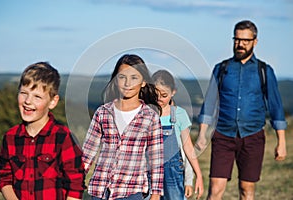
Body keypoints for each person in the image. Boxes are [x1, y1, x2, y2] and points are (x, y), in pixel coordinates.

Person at [198, 20, 287, 200]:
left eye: (245, 41)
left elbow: (275, 106)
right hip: (223, 135)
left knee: (247, 190)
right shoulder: (221, 69)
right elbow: (209, 102)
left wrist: (282, 142)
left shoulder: (264, 70)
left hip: (253, 137)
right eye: (237, 40)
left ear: (255, 41)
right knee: (215, 189)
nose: (240, 44)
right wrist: (201, 135)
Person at [0, 62, 85, 200]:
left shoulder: (63, 137)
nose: (28, 101)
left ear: (53, 102)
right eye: (24, 93)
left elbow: (75, 185)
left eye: (37, 97)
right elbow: (5, 178)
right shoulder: (10, 137)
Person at [82, 54, 164, 200]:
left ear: (143, 82)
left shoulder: (150, 117)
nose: (127, 83)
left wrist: (156, 194)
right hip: (100, 190)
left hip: (131, 191)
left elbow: (155, 158)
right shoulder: (103, 113)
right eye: (122, 77)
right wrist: (75, 183)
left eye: (134, 78)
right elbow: (88, 153)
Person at [151, 70, 204, 200]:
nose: (159, 99)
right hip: (149, 173)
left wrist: (196, 177)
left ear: (173, 92)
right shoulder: (147, 113)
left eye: (164, 95)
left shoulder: (179, 115)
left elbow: (188, 149)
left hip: (173, 175)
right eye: (155, 95)